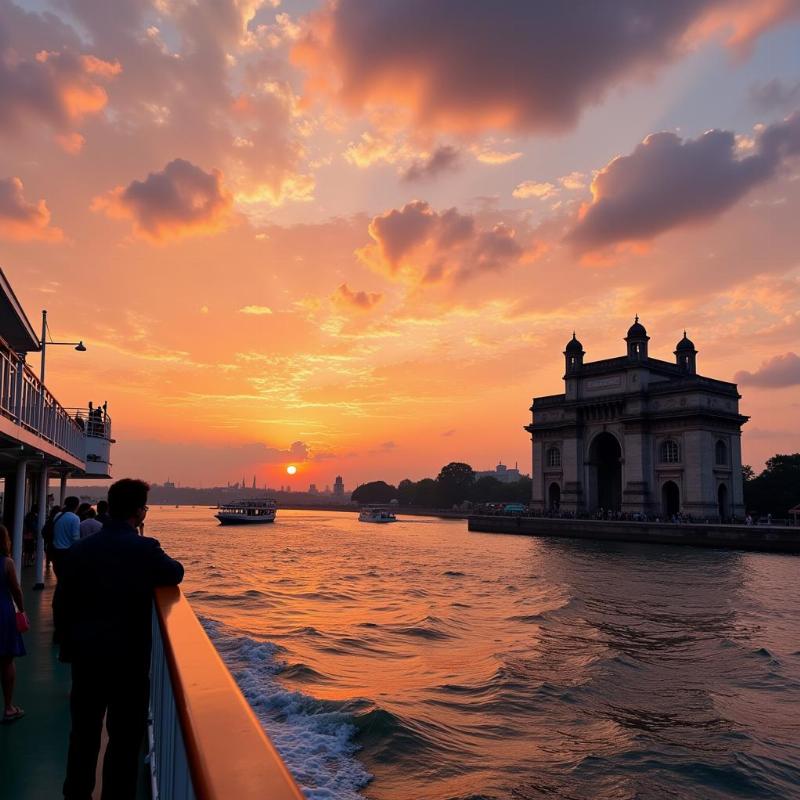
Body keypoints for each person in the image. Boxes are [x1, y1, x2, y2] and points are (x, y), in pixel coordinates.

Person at [59, 479, 183, 800]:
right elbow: (175, 572)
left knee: (83, 737)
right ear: (140, 512)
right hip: (128, 662)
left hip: (86, 659)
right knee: (124, 741)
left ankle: (76, 795)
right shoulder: (144, 549)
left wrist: (68, 648)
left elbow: (62, 604)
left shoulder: (79, 551)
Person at [0, 524, 26, 723]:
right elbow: (16, 590)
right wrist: (22, 610)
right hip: (3, 612)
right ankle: (8, 707)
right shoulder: (6, 563)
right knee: (7, 660)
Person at [52, 497, 81, 577]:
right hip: (68, 551)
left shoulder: (58, 515)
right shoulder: (75, 518)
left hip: (56, 550)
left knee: (59, 575)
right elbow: (75, 537)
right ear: (76, 506)